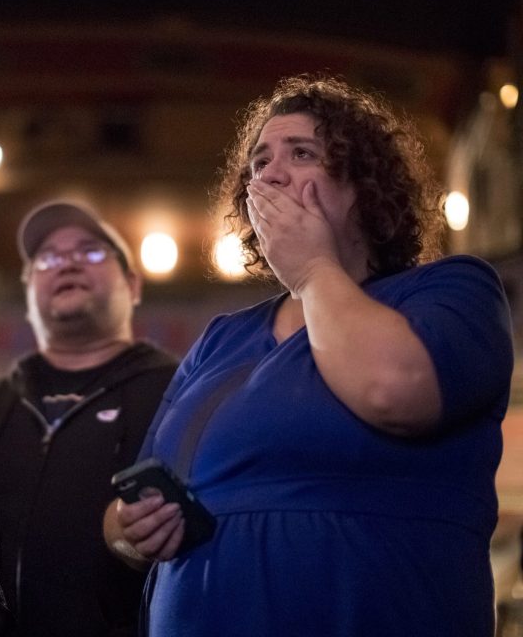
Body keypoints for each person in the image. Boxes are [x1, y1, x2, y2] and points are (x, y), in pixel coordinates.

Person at [106, 75, 514, 636]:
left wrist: (314, 270)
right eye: (258, 163)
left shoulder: (451, 291)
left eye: (302, 153)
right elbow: (135, 495)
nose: (269, 175)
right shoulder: (223, 337)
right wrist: (131, 531)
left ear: (364, 186)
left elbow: (393, 390)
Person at [0, 200, 179, 637]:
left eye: (91, 252)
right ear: (28, 294)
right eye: (48, 258)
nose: (68, 263)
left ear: (133, 285)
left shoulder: (178, 393)